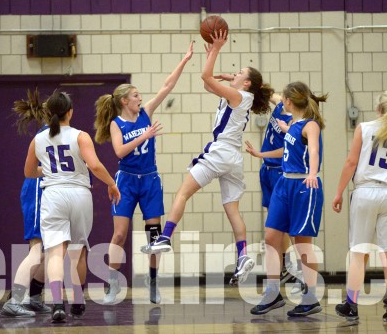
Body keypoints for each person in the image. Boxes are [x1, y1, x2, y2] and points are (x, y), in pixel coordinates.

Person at [146, 30, 273, 287]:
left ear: (247, 83)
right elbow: (208, 83)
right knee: (232, 209)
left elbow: (205, 77)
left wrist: (215, 50)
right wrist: (216, 66)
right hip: (233, 159)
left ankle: (165, 237)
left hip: (220, 152)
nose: (235, 73)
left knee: (182, 193)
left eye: (240, 73)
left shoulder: (238, 96)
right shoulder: (239, 96)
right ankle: (243, 256)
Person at [94, 42, 194, 305]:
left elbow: (167, 86)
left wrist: (184, 61)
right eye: (136, 95)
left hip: (150, 180)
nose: (140, 98)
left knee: (154, 236)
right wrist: (145, 136)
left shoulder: (146, 112)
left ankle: (152, 281)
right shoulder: (117, 123)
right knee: (119, 235)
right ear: (125, 101)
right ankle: (112, 284)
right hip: (126, 180)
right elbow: (119, 151)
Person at [24, 91, 120, 323]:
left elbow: (29, 172)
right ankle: (77, 301)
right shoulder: (80, 136)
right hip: (79, 194)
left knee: (55, 253)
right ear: (70, 112)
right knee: (79, 251)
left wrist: (48, 170)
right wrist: (111, 183)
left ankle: (57, 304)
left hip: (53, 195)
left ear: (48, 113)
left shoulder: (38, 139)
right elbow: (95, 165)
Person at [332, 90, 387, 323]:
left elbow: (351, 162)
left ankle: (351, 305)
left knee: (359, 253)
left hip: (365, 192)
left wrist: (339, 192)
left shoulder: (364, 128)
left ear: (378, 108)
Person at [245, 82, 327, 316]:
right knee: (271, 237)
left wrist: (313, 173)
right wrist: (262, 153)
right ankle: (272, 293)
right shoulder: (292, 124)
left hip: (303, 184)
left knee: (302, 243)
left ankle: (310, 297)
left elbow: (313, 150)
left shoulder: (311, 125)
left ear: (289, 102)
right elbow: (287, 151)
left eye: (283, 99)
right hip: (284, 183)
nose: (281, 102)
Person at [1, 89, 53, 317]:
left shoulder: (60, 134)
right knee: (37, 249)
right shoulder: (44, 136)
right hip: (38, 192)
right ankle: (15, 299)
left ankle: (33, 297)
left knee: (50, 251)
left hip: (51, 194)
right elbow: (31, 170)